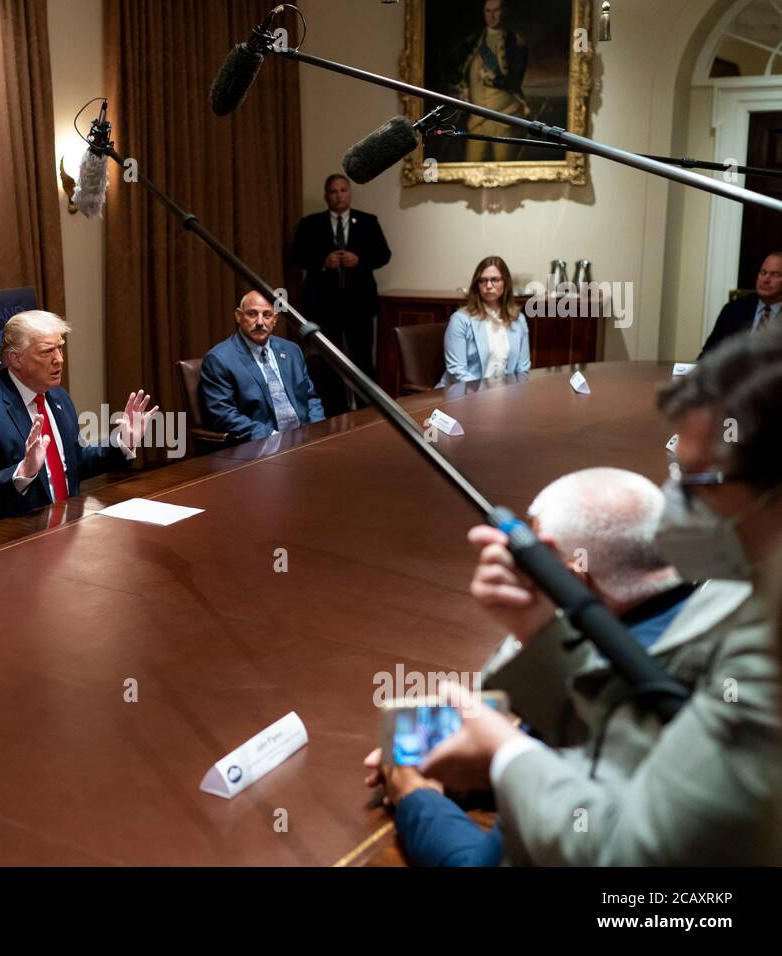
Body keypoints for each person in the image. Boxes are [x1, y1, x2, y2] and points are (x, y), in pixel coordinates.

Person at [384, 329, 782, 866]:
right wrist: (541, 631)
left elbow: (627, 863)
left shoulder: (765, 651)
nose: (672, 503)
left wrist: (505, 756)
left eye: (697, 480)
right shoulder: (739, 586)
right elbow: (662, 737)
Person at [363, 467, 691, 866]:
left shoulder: (608, 711)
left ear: (572, 578)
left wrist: (415, 795)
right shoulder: (710, 623)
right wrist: (480, 768)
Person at [0, 310, 157, 530]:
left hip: (66, 526)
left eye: (60, 348)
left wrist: (122, 442)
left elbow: (74, 462)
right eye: (47, 351)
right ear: (15, 359)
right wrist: (22, 472)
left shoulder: (58, 397)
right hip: (13, 534)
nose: (59, 359)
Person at [291, 174, 391, 407]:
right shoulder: (310, 224)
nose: (338, 195)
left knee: (363, 360)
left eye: (343, 190)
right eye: (334, 191)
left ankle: (369, 411)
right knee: (328, 362)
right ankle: (335, 413)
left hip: (359, 305)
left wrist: (360, 259)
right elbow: (297, 256)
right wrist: (323, 262)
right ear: (327, 196)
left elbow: (384, 255)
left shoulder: (368, 222)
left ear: (350, 193)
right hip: (323, 305)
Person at [199, 291, 324, 442]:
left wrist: (317, 429)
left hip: (306, 440)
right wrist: (273, 438)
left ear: (275, 319)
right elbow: (224, 414)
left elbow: (310, 398)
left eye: (267, 315)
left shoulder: (291, 350)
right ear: (238, 316)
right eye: (252, 314)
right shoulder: (219, 359)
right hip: (262, 446)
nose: (260, 322)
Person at [452, 0, 531, 163]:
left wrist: (494, 79)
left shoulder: (514, 41)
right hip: (477, 120)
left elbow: (515, 78)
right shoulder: (473, 42)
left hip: (505, 116)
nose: (492, 15)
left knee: (505, 171)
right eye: (488, 11)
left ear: (504, 12)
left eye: (496, 10)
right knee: (470, 169)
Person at [441, 256, 530, 385]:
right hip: (464, 395)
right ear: (476, 285)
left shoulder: (518, 320)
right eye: (483, 281)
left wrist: (513, 397)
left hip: (505, 396)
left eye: (494, 280)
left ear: (505, 283)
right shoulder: (460, 320)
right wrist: (486, 397)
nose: (488, 285)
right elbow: (457, 371)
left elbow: (523, 370)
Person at [698, 250, 782, 358]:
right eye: (763, 272)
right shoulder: (733, 310)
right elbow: (707, 355)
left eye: (775, 275)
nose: (766, 279)